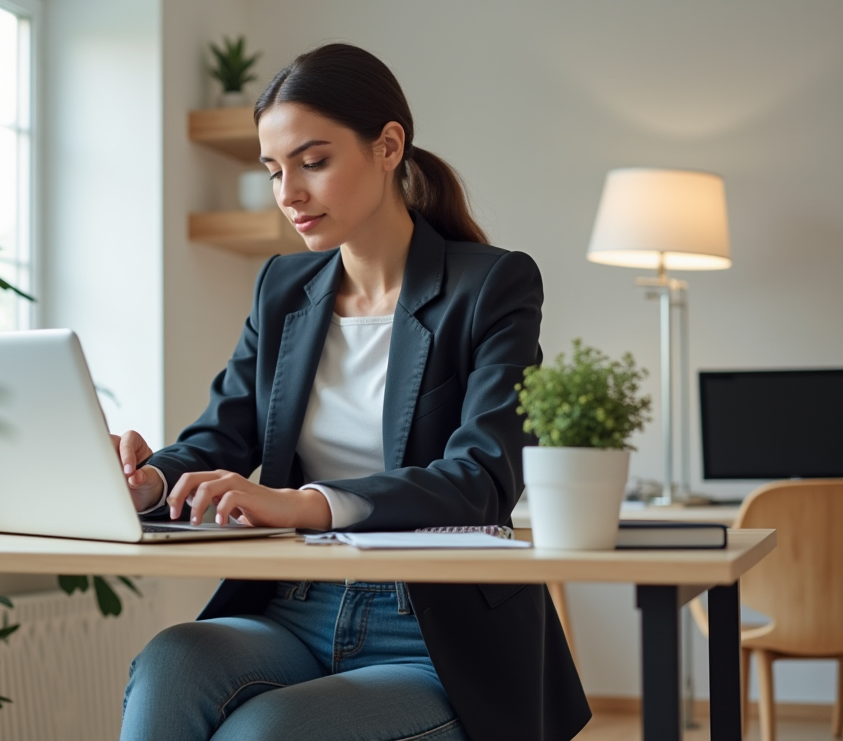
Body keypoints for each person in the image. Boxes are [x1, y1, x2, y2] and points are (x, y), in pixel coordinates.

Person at [112, 43, 589, 741]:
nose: (289, 194)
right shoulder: (283, 288)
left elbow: (482, 478)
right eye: (274, 171)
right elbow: (225, 435)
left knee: (264, 732)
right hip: (292, 607)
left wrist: (303, 504)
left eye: (314, 161)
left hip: (433, 634)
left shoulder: (492, 285)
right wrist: (150, 482)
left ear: (389, 145)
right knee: (171, 662)